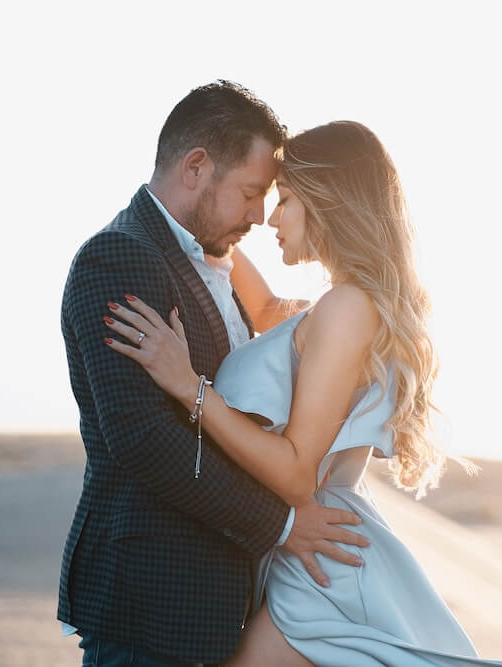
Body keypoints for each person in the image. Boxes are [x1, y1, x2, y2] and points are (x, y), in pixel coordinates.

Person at [103, 120, 502, 666]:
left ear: (327, 203)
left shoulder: (347, 309)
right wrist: (193, 216)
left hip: (320, 557)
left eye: (285, 201)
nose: (269, 218)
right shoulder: (328, 309)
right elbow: (253, 301)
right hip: (309, 548)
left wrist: (191, 390)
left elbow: (300, 470)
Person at [57, 82, 371, 667]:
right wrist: (280, 523)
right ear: (197, 167)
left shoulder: (213, 257)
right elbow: (145, 442)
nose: (259, 215)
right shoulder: (120, 257)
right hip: (152, 602)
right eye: (252, 193)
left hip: (220, 605)